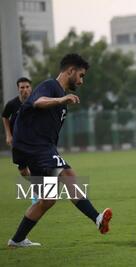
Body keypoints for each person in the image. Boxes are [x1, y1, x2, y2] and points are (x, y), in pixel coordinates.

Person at [8, 53, 112, 248]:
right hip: (35, 147)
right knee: (68, 173)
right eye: (80, 75)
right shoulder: (51, 86)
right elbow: (37, 102)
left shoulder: (61, 97)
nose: (81, 81)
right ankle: (97, 219)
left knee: (47, 200)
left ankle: (17, 239)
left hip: (35, 149)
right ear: (70, 71)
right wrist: (61, 99)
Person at [2, 77, 32, 177]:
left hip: (34, 140)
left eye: (27, 87)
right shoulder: (12, 104)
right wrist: (8, 134)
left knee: (37, 165)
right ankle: (37, 185)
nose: (25, 90)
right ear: (18, 89)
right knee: (23, 171)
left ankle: (39, 189)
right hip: (17, 141)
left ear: (31, 88)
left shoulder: (36, 102)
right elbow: (5, 117)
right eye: (22, 87)